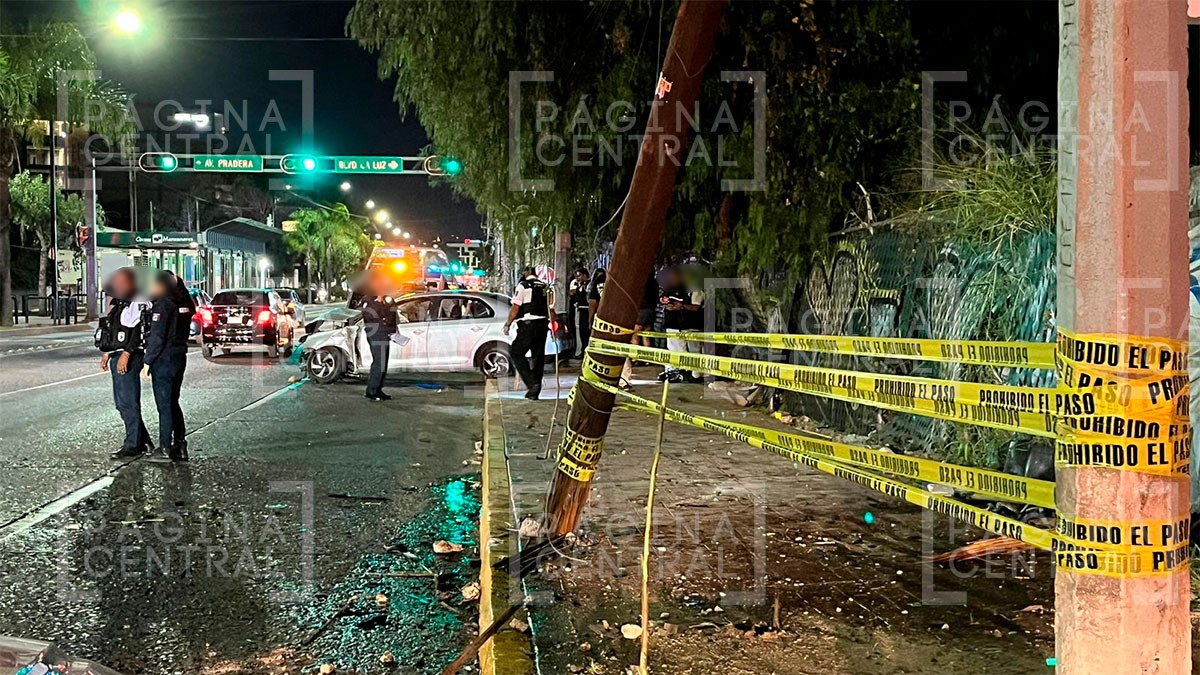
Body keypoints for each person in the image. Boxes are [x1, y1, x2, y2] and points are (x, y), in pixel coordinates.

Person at [98, 268, 153, 460]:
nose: (117, 285)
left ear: (131, 282)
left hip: (130, 356)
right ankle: (142, 439)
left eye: (121, 281)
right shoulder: (120, 302)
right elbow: (113, 329)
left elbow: (138, 330)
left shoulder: (140, 301)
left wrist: (127, 354)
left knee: (128, 402)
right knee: (121, 403)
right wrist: (108, 353)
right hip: (117, 354)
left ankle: (133, 445)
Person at [141, 270, 195, 463]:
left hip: (164, 358)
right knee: (173, 402)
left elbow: (157, 337)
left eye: (154, 284)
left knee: (164, 404)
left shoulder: (163, 304)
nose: (152, 288)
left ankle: (164, 447)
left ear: (162, 285)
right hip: (179, 356)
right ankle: (180, 445)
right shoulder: (184, 303)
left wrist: (147, 362)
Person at [504, 267, 556, 399]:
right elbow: (550, 308)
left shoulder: (523, 286)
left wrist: (508, 324)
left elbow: (516, 307)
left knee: (516, 352)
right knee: (538, 358)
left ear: (527, 273)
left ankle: (532, 383)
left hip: (528, 325)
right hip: (543, 325)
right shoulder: (545, 287)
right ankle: (535, 390)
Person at [352, 273, 399, 401]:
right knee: (379, 363)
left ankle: (378, 389)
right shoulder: (369, 300)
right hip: (376, 334)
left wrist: (395, 329)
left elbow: (393, 313)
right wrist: (379, 301)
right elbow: (371, 316)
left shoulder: (387, 299)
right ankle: (371, 391)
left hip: (386, 333)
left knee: (384, 364)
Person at [658, 266, 705, 383]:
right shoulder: (669, 290)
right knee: (675, 349)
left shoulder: (694, 289)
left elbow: (696, 307)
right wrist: (668, 305)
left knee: (694, 350)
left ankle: (696, 375)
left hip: (691, 325)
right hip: (673, 324)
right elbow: (663, 300)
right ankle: (676, 372)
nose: (672, 280)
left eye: (674, 278)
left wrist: (681, 306)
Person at [620, 271, 661, 388]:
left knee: (635, 336)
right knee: (646, 335)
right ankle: (647, 358)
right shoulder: (654, 283)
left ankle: (635, 357)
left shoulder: (641, 284)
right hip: (651, 311)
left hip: (641, 310)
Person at [567, 268, 591, 360]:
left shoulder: (588, 285)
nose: (578, 278)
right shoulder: (579, 285)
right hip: (580, 310)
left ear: (585, 275)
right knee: (581, 332)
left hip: (587, 310)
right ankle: (582, 350)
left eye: (580, 275)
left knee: (586, 331)